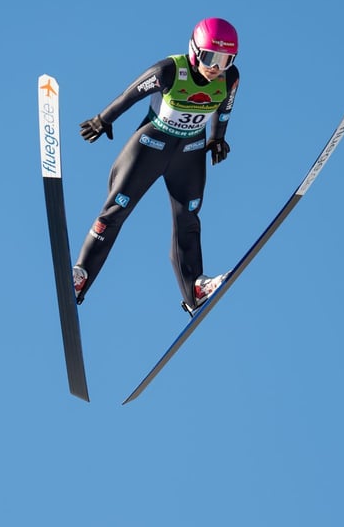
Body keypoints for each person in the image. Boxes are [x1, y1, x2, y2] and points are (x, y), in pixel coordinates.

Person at [73, 17, 240, 312]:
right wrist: (103, 120)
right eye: (211, 57)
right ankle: (80, 276)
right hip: (151, 147)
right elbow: (130, 95)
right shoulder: (169, 70)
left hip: (189, 152)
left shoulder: (229, 78)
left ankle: (195, 290)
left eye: (226, 59)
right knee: (116, 211)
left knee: (188, 220)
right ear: (195, 51)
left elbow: (224, 109)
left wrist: (217, 138)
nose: (217, 67)